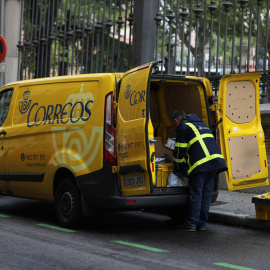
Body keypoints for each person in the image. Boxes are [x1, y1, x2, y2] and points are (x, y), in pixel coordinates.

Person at [171, 110, 227, 232]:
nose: (174, 126)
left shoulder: (183, 127)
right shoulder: (202, 125)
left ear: (176, 121)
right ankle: (202, 224)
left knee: (196, 194)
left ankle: (191, 224)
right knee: (206, 194)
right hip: (215, 163)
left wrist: (178, 168)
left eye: (173, 124)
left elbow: (180, 152)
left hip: (200, 165)